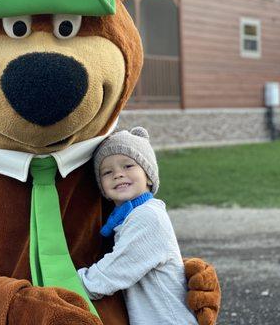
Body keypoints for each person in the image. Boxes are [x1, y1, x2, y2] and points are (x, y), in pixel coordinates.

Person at [77, 127, 197, 325]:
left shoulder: (148, 217)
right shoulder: (128, 217)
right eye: (107, 172)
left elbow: (116, 270)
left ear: (148, 175)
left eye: (128, 166)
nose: (118, 174)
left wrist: (73, 283)